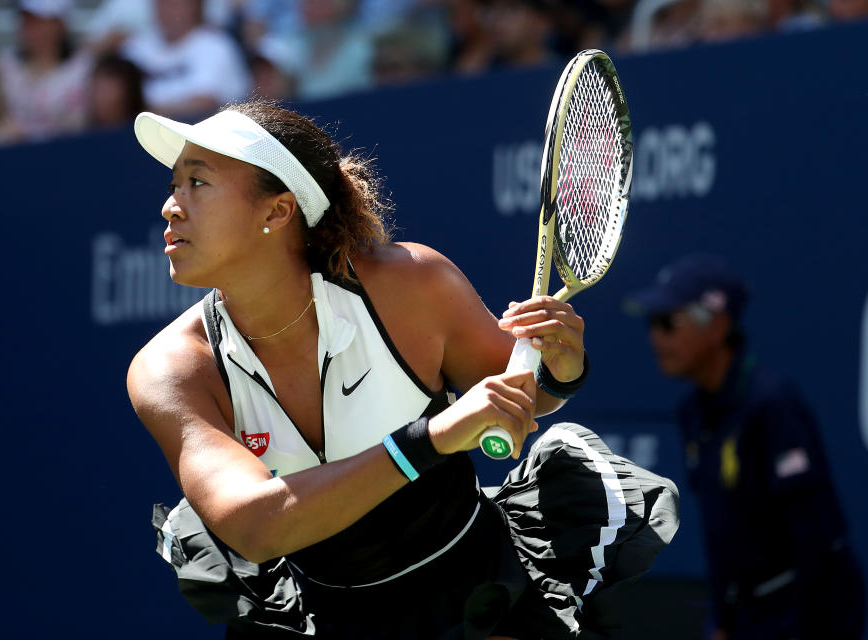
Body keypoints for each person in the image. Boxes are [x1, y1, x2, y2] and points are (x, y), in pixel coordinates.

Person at [128, 100, 679, 638]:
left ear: (277, 210)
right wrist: (431, 439)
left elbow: (522, 397)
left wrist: (558, 369)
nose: (171, 206)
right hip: (325, 614)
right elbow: (252, 526)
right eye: (174, 185)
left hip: (478, 587)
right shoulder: (172, 368)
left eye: (197, 183)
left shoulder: (410, 286)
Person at [626, 253, 865, 640]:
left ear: (717, 325)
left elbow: (814, 537)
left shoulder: (772, 404)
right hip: (745, 615)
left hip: (806, 616)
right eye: (652, 323)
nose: (655, 337)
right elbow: (721, 531)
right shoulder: (693, 412)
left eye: (667, 322)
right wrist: (722, 619)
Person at [120, 0, 251, 119]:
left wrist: (144, 111)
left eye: (173, 3)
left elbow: (205, 103)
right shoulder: (134, 48)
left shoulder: (217, 46)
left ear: (194, 5)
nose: (166, 8)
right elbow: (116, 105)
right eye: (161, 2)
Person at [0, 0, 93, 139]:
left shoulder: (84, 69)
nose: (27, 26)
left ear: (59, 23)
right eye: (25, 18)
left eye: (36, 20)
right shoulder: (4, 65)